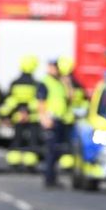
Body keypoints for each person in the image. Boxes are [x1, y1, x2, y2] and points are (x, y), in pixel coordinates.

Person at [0, 55, 41, 171]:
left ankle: (14, 160)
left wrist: (6, 116)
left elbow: (10, 101)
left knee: (17, 139)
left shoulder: (15, 82)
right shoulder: (36, 83)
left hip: (17, 116)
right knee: (32, 140)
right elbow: (38, 101)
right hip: (32, 117)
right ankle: (30, 162)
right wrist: (27, 111)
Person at [37, 57, 73, 188]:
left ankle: (53, 178)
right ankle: (49, 179)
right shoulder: (45, 82)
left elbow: (70, 98)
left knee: (57, 151)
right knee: (51, 151)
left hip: (60, 120)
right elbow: (41, 102)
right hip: (50, 121)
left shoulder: (60, 82)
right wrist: (44, 118)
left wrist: (67, 83)